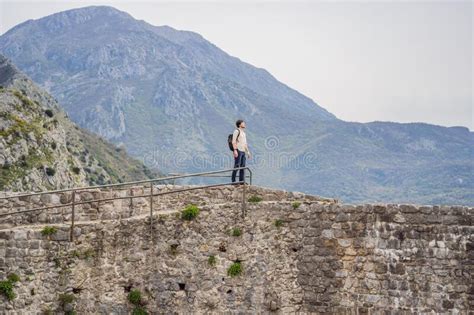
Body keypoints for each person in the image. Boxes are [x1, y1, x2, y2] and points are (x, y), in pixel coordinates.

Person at [231, 119, 251, 184]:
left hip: (243, 151)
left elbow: (245, 143)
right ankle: (233, 181)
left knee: (243, 167)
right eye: (243, 123)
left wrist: (248, 152)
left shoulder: (244, 133)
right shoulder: (236, 131)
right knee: (237, 166)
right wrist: (235, 150)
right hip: (238, 150)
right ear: (239, 124)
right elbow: (233, 141)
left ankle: (241, 181)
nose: (244, 124)